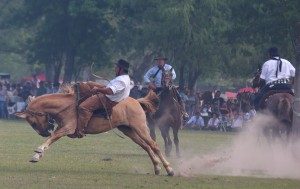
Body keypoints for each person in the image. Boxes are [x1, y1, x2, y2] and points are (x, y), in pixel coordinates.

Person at [76, 59, 131, 138]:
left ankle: (80, 130)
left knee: (83, 107)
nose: (115, 68)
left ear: (121, 69)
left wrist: (97, 89)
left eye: (116, 67)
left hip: (107, 100)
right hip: (109, 95)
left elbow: (110, 91)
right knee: (90, 83)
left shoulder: (122, 80)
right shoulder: (123, 77)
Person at [143, 55, 189, 120]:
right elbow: (145, 77)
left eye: (161, 60)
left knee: (179, 98)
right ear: (157, 61)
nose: (159, 61)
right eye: (158, 60)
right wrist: (150, 84)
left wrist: (168, 77)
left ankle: (184, 112)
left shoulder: (169, 67)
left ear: (164, 61)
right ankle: (147, 115)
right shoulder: (153, 69)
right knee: (149, 100)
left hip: (169, 87)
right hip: (157, 89)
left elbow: (174, 76)